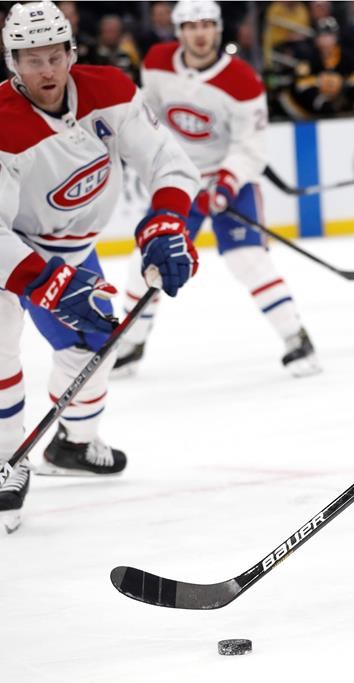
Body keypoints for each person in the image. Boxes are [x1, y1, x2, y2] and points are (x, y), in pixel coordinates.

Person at [0, 1, 200, 533]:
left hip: (71, 247)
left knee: (95, 342)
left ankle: (75, 444)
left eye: (53, 56)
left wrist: (166, 223)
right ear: (11, 62)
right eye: (29, 59)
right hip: (12, 253)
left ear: (71, 52)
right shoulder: (0, 122)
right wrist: (45, 281)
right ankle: (7, 461)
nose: (44, 70)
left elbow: (167, 161)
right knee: (0, 346)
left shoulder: (108, 89)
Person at [113, 1, 320, 378]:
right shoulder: (158, 61)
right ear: (179, 31)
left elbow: (250, 145)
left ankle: (296, 337)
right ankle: (130, 343)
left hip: (229, 179)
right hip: (178, 181)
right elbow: (149, 115)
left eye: (207, 24)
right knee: (146, 260)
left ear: (218, 29)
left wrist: (225, 183)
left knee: (248, 260)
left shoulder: (242, 79)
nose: (200, 33)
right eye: (191, 26)